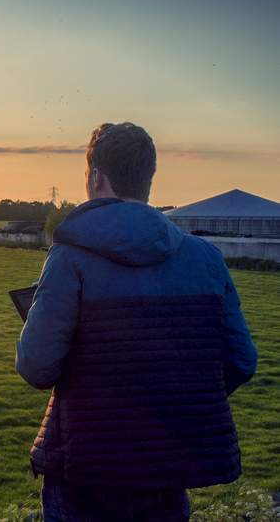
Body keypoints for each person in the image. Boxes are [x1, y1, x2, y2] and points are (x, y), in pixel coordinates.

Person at [15, 122, 258, 521]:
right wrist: (167, 400)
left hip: (84, 468)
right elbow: (242, 361)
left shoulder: (69, 258)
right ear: (148, 179)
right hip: (167, 466)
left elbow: (37, 367)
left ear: (95, 178)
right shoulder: (205, 258)